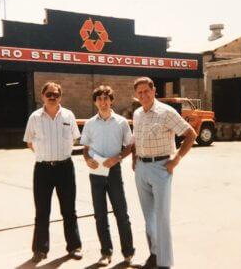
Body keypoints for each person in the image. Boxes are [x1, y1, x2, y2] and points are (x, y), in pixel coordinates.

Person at [132, 77, 197, 269]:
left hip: (161, 166)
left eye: (146, 91)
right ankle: (154, 255)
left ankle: (165, 263)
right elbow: (136, 137)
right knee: (148, 217)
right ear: (136, 95)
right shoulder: (137, 114)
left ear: (154, 91)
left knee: (162, 216)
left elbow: (190, 134)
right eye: (140, 92)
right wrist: (135, 158)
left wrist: (176, 159)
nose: (143, 95)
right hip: (142, 168)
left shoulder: (166, 112)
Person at [23, 81, 82, 263]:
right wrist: (45, 155)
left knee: (69, 210)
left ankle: (74, 246)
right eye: (49, 94)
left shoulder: (68, 115)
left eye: (55, 94)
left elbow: (75, 138)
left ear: (60, 96)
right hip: (43, 170)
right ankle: (40, 250)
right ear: (43, 96)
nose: (52, 97)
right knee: (42, 211)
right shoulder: (35, 117)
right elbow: (29, 142)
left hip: (65, 168)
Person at [80, 85, 135, 266]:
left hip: (113, 172)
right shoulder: (89, 123)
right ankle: (105, 252)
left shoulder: (121, 122)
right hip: (96, 173)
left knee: (121, 213)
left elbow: (130, 146)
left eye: (106, 98)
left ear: (111, 100)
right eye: (99, 99)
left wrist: (118, 157)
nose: (103, 102)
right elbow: (85, 149)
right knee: (100, 214)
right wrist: (88, 159)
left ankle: (128, 253)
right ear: (95, 102)